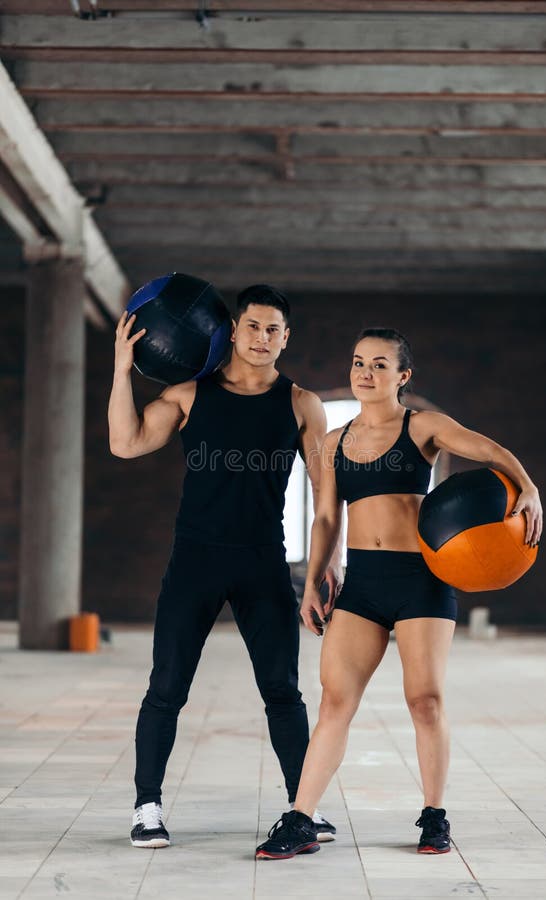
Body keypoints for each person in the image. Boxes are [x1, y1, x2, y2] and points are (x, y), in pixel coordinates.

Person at [256, 327, 543, 860]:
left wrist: (527, 486)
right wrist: (315, 581)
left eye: (380, 365)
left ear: (402, 377)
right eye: (359, 362)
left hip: (422, 583)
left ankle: (435, 816)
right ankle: (299, 819)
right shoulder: (334, 442)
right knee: (335, 702)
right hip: (362, 585)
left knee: (425, 701)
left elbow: (491, 450)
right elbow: (325, 518)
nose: (366, 373)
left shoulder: (423, 427)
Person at [108, 284, 342, 848]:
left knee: (283, 690)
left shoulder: (301, 404)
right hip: (195, 558)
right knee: (166, 687)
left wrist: (320, 568)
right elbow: (126, 442)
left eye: (274, 330)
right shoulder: (189, 395)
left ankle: (302, 806)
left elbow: (327, 497)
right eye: (253, 326)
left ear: (286, 339)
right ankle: (146, 808)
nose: (262, 338)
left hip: (264, 560)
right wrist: (122, 370)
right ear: (232, 331)